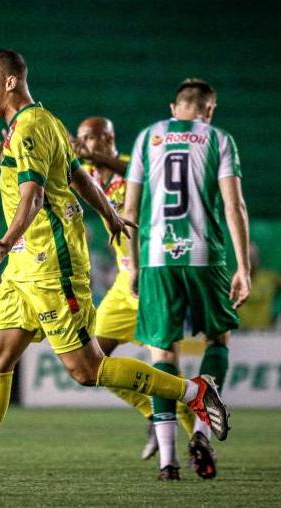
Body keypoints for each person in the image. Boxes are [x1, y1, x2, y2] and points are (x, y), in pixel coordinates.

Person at [0, 51, 229, 493]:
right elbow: (80, 176)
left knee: (86, 369)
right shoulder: (46, 123)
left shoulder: (28, 129)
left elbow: (33, 197)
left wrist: (5, 240)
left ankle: (192, 391)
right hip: (23, 270)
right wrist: (110, 217)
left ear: (9, 82)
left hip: (50, 267)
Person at [124, 79, 251, 480]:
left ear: (173, 106)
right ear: (209, 111)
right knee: (218, 339)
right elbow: (234, 205)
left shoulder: (148, 137)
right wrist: (243, 267)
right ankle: (201, 431)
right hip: (204, 255)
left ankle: (167, 462)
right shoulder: (219, 139)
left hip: (157, 258)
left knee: (162, 352)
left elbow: (129, 209)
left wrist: (132, 264)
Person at [74, 116, 196, 474]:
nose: (82, 146)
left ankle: (198, 441)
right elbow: (60, 168)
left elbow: (134, 170)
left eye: (89, 140)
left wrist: (92, 156)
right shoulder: (92, 175)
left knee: (165, 363)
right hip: (124, 284)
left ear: (108, 138)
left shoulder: (134, 165)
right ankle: (153, 415)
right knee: (91, 362)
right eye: (79, 139)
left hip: (156, 277)